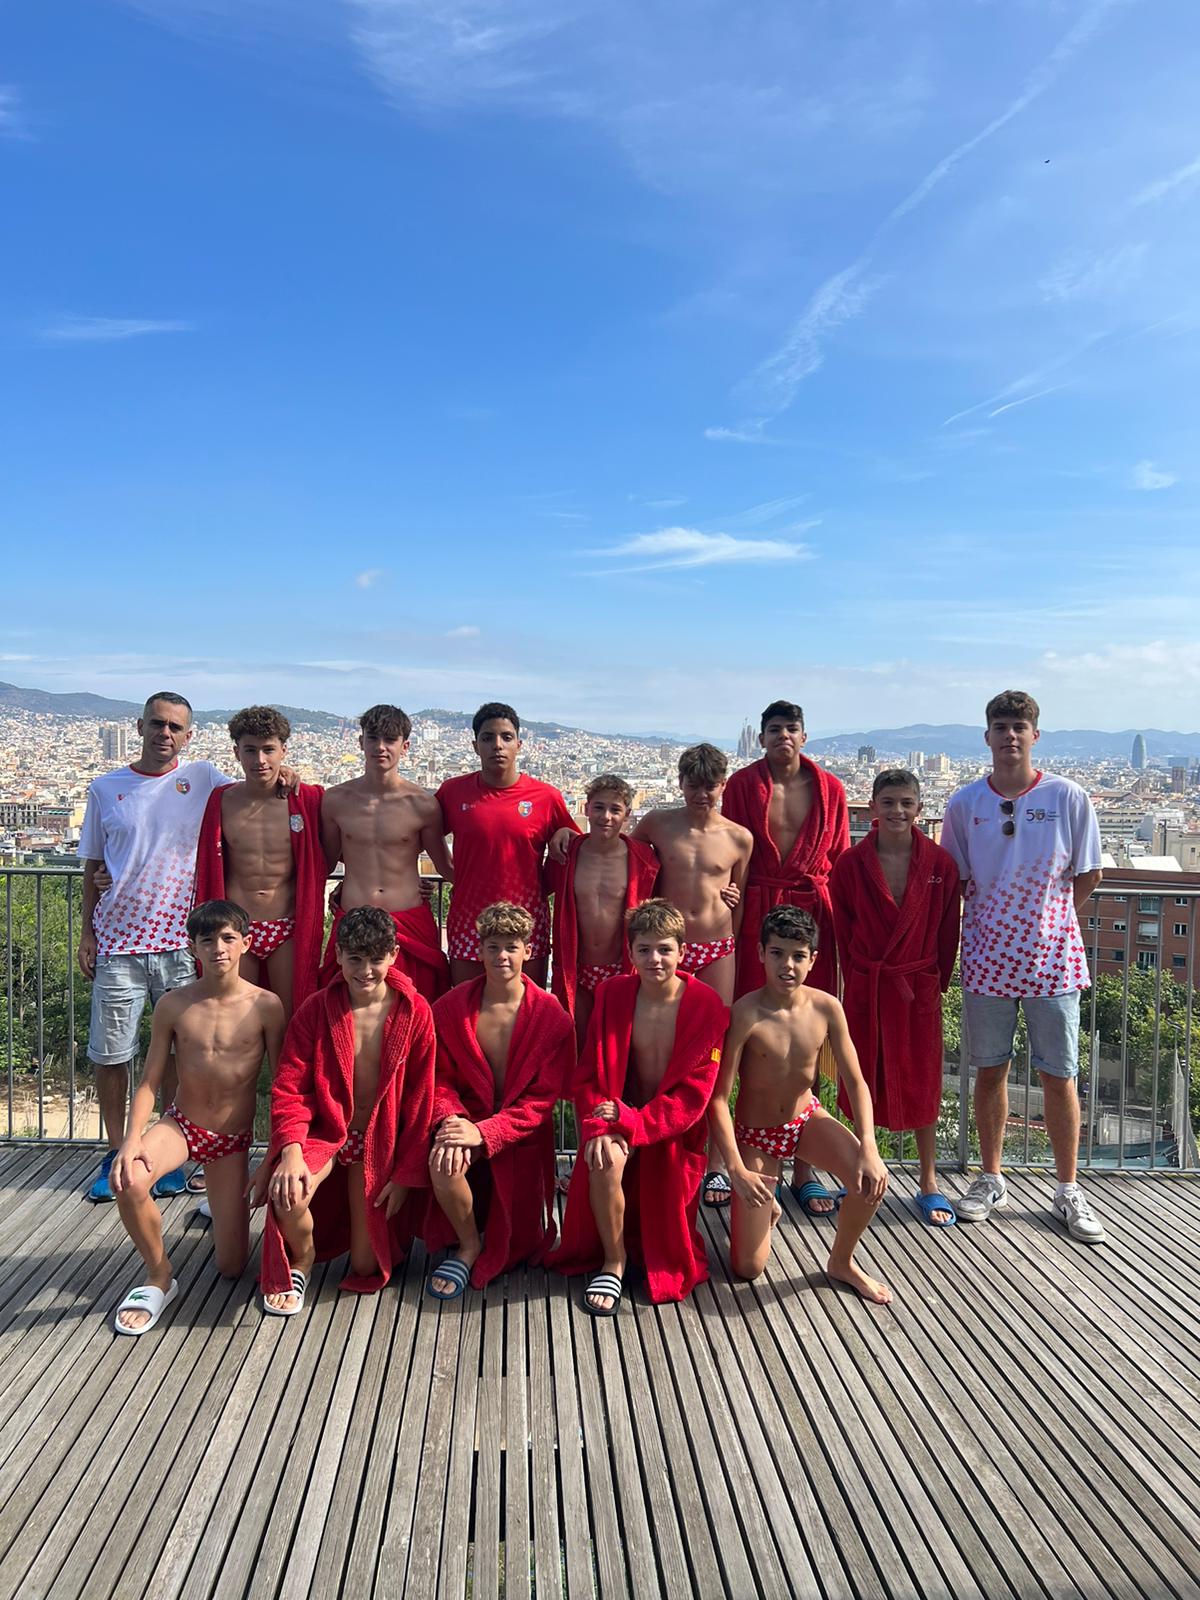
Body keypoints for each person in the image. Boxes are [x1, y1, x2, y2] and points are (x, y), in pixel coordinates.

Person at [940, 690, 1105, 1243]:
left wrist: (1050, 920)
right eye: (1000, 726)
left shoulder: (1069, 796)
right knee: (990, 1070)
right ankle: (990, 1177)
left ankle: (1067, 1189)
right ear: (986, 737)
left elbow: (1089, 873)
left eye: (1019, 726)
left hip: (1054, 960)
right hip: (986, 957)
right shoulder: (965, 805)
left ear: (1036, 735)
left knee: (1059, 1075)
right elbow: (958, 881)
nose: (1010, 735)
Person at [77, 691, 235, 1202]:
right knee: (111, 1053)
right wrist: (87, 932)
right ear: (140, 726)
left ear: (188, 736)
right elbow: (91, 867)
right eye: (157, 724)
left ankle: (165, 1152)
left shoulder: (204, 778)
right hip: (119, 941)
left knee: (177, 1053)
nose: (164, 733)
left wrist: (291, 780)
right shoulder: (105, 788)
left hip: (178, 940)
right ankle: (116, 1148)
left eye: (175, 727)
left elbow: (258, 796)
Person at [108, 900, 284, 1334]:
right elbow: (149, 1079)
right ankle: (159, 1275)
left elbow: (283, 1084)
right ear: (193, 948)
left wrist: (274, 1155)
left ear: (246, 943)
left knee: (230, 1267)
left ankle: (222, 1206)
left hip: (233, 1141)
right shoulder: (174, 1004)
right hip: (181, 1126)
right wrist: (131, 1141)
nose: (218, 948)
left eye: (228, 938)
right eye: (207, 940)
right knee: (129, 1179)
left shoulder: (267, 1006)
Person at [255, 906, 436, 1314]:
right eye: (355, 958)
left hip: (379, 1140)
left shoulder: (415, 1012)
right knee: (287, 1194)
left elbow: (421, 1099)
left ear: (393, 954)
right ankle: (301, 1260)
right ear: (337, 955)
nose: (366, 970)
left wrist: (407, 1174)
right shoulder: (316, 1009)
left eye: (376, 959)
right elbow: (289, 1087)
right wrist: (290, 1150)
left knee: (365, 1264)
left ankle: (366, 1237)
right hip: (328, 1134)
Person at [552, 899, 729, 1315]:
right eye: (645, 949)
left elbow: (694, 1096)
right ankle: (614, 1262)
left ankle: (645, 1249)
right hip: (617, 1111)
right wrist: (599, 1126)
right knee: (603, 1160)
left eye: (665, 949)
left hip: (668, 1130)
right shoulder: (613, 995)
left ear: (683, 953)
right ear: (630, 954)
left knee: (669, 1245)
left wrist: (634, 1121)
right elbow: (591, 1072)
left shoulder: (707, 1007)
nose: (655, 959)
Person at [707, 907, 892, 1302]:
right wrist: (735, 1170)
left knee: (870, 1181)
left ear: (813, 959)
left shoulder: (827, 1007)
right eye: (776, 953)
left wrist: (870, 1148)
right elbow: (719, 1099)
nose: (786, 965)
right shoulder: (745, 1013)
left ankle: (841, 1261)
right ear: (760, 953)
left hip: (804, 1120)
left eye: (797, 955)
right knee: (747, 1268)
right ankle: (765, 1209)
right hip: (755, 1135)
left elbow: (856, 1082)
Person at [721, 699, 849, 1212]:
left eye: (790, 729)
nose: (782, 736)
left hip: (812, 914)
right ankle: (725, 1159)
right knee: (745, 1028)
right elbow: (726, 847)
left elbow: (839, 859)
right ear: (762, 737)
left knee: (810, 1036)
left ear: (804, 735)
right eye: (773, 729)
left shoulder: (832, 788)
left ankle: (807, 1167)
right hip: (755, 912)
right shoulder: (740, 786)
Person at [424, 902, 576, 1298]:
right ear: (479, 950)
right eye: (493, 946)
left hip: (521, 1136)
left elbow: (543, 1101)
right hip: (467, 1119)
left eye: (511, 946)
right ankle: (469, 1243)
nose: (502, 956)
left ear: (528, 950)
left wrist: (486, 1131)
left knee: (518, 1236)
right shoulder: (451, 1008)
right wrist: (452, 1121)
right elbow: (438, 1080)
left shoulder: (552, 1016)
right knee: (443, 1163)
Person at [830, 771, 961, 1226]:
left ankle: (929, 1180)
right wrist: (857, 978)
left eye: (906, 802)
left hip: (915, 985)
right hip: (870, 983)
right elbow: (843, 930)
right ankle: (856, 1172)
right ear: (872, 809)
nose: (897, 811)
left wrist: (934, 982)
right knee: (857, 1077)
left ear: (919, 809)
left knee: (924, 1081)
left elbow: (948, 931)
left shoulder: (941, 865)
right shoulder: (849, 865)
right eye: (888, 802)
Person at [628, 744, 751, 1209]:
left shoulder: (739, 837)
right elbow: (628, 864)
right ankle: (651, 1140)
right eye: (694, 785)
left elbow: (741, 896)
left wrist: (732, 923)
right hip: (667, 946)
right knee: (655, 1044)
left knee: (715, 1051)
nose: (703, 794)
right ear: (681, 783)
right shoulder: (658, 823)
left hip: (718, 945)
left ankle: (717, 1161)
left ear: (723, 785)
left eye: (711, 786)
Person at [193, 706, 327, 1021]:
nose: (260, 760)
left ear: (284, 751)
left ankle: (287, 1073)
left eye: (268, 750)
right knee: (234, 1020)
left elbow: (351, 843)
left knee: (292, 1016)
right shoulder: (221, 800)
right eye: (250, 750)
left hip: (288, 924)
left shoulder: (307, 799)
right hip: (236, 927)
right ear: (236, 752)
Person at [436, 702, 578, 987]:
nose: (497, 745)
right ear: (476, 746)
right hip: (469, 918)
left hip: (526, 921)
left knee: (528, 1009)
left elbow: (576, 851)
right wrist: (451, 873)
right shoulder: (453, 791)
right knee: (466, 1003)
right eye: (488, 738)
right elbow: (423, 835)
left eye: (506, 737)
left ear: (519, 744)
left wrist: (563, 830)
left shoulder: (546, 797)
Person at [320, 704, 451, 1002]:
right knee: (345, 1013)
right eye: (373, 738)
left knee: (415, 1008)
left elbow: (446, 866)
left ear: (404, 747)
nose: (380, 747)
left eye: (390, 740)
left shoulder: (423, 805)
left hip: (409, 920)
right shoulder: (336, 800)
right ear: (361, 742)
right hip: (353, 916)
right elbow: (325, 863)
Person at [546, 774, 660, 1047]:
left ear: (627, 815)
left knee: (617, 1045)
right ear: (586, 808)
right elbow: (535, 885)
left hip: (622, 968)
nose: (605, 817)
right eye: (598, 807)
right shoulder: (567, 853)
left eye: (615, 809)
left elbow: (664, 902)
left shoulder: (643, 859)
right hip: (576, 966)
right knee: (577, 1042)